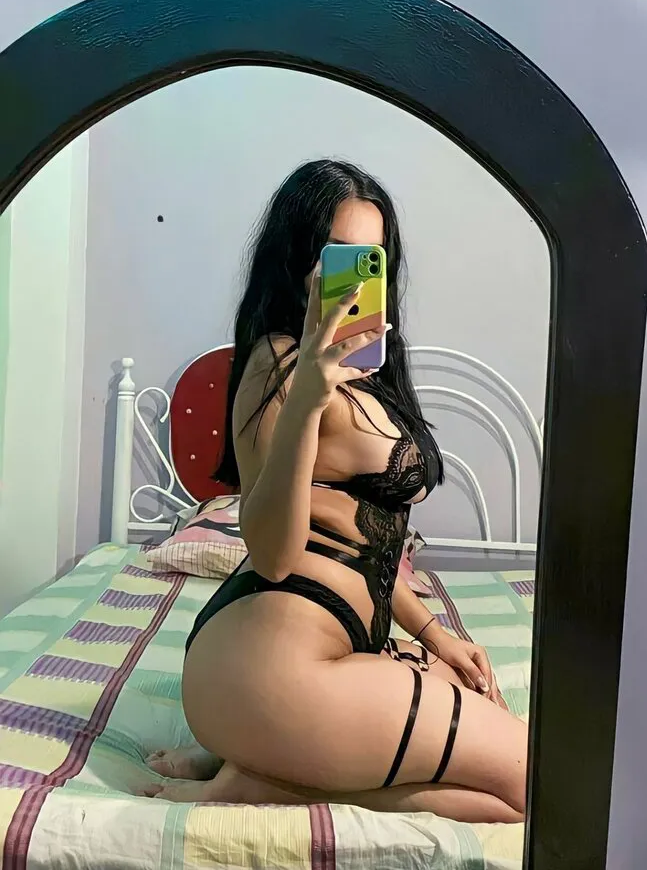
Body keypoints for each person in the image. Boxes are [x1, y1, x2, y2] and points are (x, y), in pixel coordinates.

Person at [143, 159, 527, 823]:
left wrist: (435, 634)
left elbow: (361, 539)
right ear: (298, 259)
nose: (356, 277)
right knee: (537, 787)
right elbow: (272, 554)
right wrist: (306, 398)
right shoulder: (277, 361)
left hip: (331, 653)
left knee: (492, 740)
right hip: (268, 665)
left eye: (371, 258)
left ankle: (264, 772)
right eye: (339, 255)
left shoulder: (374, 375)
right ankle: (261, 775)